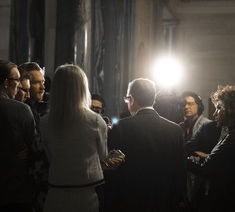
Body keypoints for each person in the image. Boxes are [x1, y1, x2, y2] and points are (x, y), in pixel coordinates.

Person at [104, 78, 186, 212]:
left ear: (132, 99)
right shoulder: (175, 130)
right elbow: (180, 174)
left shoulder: (121, 127)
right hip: (164, 202)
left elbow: (113, 172)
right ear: (153, 100)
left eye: (127, 99)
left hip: (128, 202)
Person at [40, 64, 108, 212]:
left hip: (56, 189)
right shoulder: (96, 120)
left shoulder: (44, 122)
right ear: (83, 88)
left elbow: (50, 156)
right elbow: (103, 155)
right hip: (86, 191)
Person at [187, 85, 235, 212]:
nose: (214, 113)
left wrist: (180, 158)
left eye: (219, 108)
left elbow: (206, 170)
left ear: (231, 110)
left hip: (229, 203)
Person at [0, 60, 37, 211]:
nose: (19, 85)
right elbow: (35, 148)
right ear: (6, 83)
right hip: (14, 193)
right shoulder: (21, 110)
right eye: (17, 80)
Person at [19, 62, 48, 212]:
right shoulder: (23, 110)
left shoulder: (40, 108)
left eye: (43, 82)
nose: (42, 87)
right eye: (36, 82)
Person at [178, 91, 211, 210]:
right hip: (185, 181)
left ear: (199, 106)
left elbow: (212, 157)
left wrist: (192, 157)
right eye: (183, 104)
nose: (186, 107)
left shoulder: (208, 126)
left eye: (190, 104)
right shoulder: (180, 127)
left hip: (202, 182)